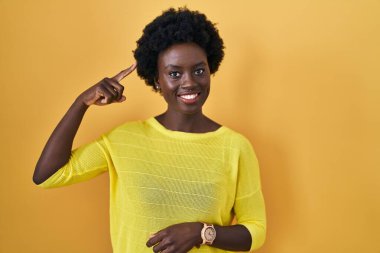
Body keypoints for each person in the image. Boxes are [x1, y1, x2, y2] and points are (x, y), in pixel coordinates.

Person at [33, 7, 266, 253]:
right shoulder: (124, 139)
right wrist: (82, 102)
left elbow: (256, 229)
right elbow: (47, 176)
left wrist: (201, 232)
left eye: (199, 70)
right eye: (174, 73)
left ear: (210, 71)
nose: (189, 82)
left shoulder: (235, 147)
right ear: (157, 80)